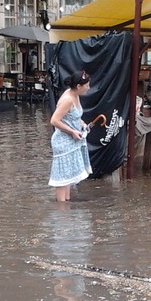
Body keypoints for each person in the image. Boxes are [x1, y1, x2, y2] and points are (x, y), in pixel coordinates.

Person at [48, 70, 93, 202]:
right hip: (62, 142)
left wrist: (82, 124)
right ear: (78, 86)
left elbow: (73, 116)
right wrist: (72, 131)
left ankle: (66, 209)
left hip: (72, 142)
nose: (89, 88)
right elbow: (54, 120)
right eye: (87, 86)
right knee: (62, 178)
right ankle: (62, 212)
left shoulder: (75, 95)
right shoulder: (67, 99)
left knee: (68, 177)